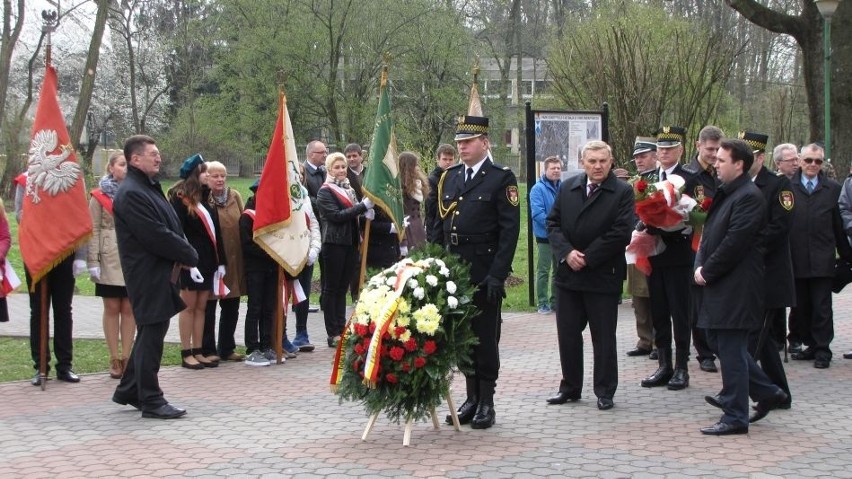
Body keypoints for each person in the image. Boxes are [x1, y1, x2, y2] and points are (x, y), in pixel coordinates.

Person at [694, 138, 787, 435]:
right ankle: (767, 391)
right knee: (720, 341)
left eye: (722, 160)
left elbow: (736, 242)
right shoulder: (728, 192)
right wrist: (700, 263)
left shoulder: (748, 196)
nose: (715, 164)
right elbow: (709, 235)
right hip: (722, 282)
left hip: (736, 284)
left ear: (739, 165)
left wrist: (707, 270)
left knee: (731, 348)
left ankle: (735, 415)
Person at [435, 115, 520, 429]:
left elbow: (509, 231)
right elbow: (438, 226)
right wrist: (436, 263)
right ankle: (470, 398)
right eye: (458, 142)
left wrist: (498, 274)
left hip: (483, 270)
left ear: (485, 142)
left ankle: (487, 401)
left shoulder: (501, 178)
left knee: (484, 337)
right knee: (462, 336)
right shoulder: (451, 176)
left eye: (468, 142)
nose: (462, 147)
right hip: (454, 269)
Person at [112, 134, 199, 419]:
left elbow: (170, 224)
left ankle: (129, 390)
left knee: (152, 331)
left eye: (158, 153)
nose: (158, 157)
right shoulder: (132, 193)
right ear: (135, 159)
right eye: (152, 154)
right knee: (152, 334)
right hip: (147, 273)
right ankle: (151, 399)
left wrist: (183, 250)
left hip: (160, 270)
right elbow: (155, 234)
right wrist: (188, 253)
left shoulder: (147, 187)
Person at [545, 140, 633, 411]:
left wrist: (588, 257)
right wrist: (567, 253)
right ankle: (570, 386)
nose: (597, 166)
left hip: (602, 275)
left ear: (611, 161)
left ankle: (605, 390)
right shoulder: (569, 187)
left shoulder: (622, 192)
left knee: (603, 337)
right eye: (592, 161)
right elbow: (553, 223)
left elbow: (621, 232)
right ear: (582, 162)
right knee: (568, 335)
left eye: (603, 161)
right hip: (568, 276)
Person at [787, 143, 850, 368]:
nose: (813, 165)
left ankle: (823, 348)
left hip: (823, 259)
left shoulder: (832, 189)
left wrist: (846, 256)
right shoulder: (787, 187)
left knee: (822, 307)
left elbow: (838, 227)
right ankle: (809, 345)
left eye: (818, 161)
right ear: (800, 161)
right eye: (808, 160)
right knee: (801, 306)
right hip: (796, 258)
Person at [640, 126, 693, 391]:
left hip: (680, 251)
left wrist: (680, 221)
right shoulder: (648, 178)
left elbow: (699, 212)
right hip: (654, 251)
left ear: (680, 150)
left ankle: (682, 366)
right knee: (658, 310)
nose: (664, 153)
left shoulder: (690, 177)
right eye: (660, 149)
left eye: (670, 149)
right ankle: (663, 364)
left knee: (680, 311)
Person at [168, 155, 226, 369]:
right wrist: (186, 261)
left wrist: (221, 262)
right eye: (204, 172)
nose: (208, 176)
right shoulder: (179, 199)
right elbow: (177, 232)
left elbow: (216, 233)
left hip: (208, 260)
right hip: (190, 262)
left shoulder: (205, 199)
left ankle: (199, 349)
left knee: (202, 307)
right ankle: (186, 352)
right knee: (189, 307)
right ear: (195, 174)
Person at [317, 152, 374, 348]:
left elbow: (354, 213)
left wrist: (366, 212)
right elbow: (336, 216)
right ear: (329, 170)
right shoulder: (325, 192)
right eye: (337, 167)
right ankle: (332, 331)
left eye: (343, 167)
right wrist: (361, 207)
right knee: (332, 289)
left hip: (350, 243)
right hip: (333, 244)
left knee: (343, 288)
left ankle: (342, 328)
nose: (341, 170)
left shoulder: (349, 189)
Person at [88, 152, 136, 379]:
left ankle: (127, 356)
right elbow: (93, 229)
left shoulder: (136, 192)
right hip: (108, 256)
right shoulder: (98, 196)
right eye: (121, 164)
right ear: (111, 167)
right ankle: (113, 357)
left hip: (131, 257)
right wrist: (93, 261)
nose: (125, 168)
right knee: (112, 308)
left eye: (128, 164)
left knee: (129, 309)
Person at [683, 126, 724, 374]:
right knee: (697, 303)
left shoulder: (723, 172)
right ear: (699, 146)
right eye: (710, 149)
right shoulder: (688, 175)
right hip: (695, 246)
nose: (714, 154)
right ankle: (704, 352)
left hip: (721, 244)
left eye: (718, 149)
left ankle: (719, 345)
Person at [202, 161, 246, 362]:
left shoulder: (235, 196)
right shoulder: (203, 199)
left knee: (232, 305)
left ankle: (226, 347)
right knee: (209, 306)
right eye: (215, 176)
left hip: (234, 259)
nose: (220, 179)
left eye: (223, 176)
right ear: (206, 177)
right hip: (213, 261)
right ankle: (208, 349)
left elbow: (244, 221)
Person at [240, 181, 277, 366]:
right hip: (255, 267)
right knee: (255, 307)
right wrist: (270, 252)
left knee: (268, 307)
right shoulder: (247, 216)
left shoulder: (272, 215)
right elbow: (247, 245)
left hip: (271, 267)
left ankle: (266, 344)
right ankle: (252, 348)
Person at [626, 137, 657, 357]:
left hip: (657, 244)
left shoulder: (663, 180)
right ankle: (644, 339)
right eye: (636, 157)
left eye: (643, 156)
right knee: (638, 293)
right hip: (635, 244)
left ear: (655, 156)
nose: (639, 160)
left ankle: (658, 341)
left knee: (655, 293)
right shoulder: (633, 183)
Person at [291, 169, 322, 353]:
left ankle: (301, 333)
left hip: (306, 253)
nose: (299, 176)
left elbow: (313, 223)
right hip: (287, 253)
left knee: (303, 293)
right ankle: (281, 335)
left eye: (301, 173)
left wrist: (314, 248)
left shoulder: (303, 194)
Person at [529, 155, 562, 314]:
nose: (556, 171)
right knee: (544, 270)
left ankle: (555, 301)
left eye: (558, 168)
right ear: (545, 170)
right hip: (545, 236)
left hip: (561, 237)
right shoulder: (537, 189)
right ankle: (542, 303)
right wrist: (553, 227)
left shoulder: (563, 187)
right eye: (553, 168)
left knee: (559, 270)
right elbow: (537, 214)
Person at [398, 151, 429, 255]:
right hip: (407, 227)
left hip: (418, 225)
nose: (418, 168)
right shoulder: (400, 186)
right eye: (415, 165)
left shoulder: (417, 183)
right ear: (408, 167)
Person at [425, 144, 456, 243]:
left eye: (451, 159)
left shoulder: (456, 177)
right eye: (444, 159)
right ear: (438, 160)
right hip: (435, 227)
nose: (448, 162)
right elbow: (432, 209)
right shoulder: (432, 180)